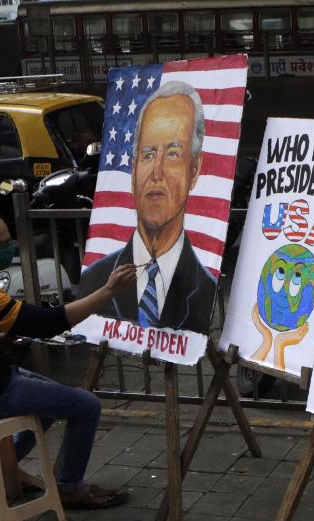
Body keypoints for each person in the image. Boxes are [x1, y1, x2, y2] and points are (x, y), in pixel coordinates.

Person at [0, 213, 137, 508]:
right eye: (1, 244)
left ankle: (4, 471)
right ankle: (69, 488)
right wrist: (109, 291)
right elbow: (47, 323)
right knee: (86, 406)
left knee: (51, 403)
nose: (8, 248)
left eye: (9, 241)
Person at [78, 81, 217, 333]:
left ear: (194, 170)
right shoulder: (94, 281)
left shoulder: (207, 289)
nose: (156, 173)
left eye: (173, 154)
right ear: (133, 170)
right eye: (148, 154)